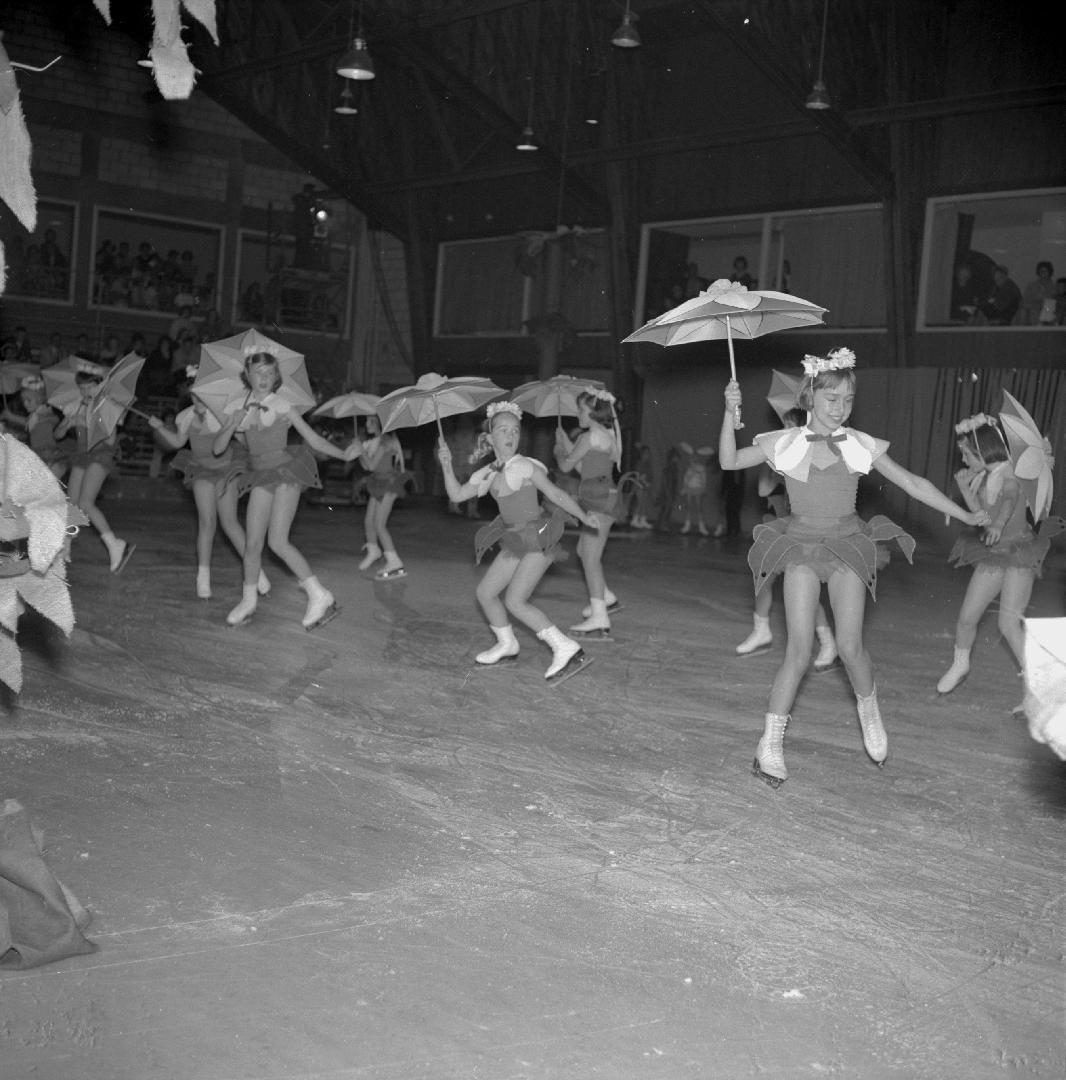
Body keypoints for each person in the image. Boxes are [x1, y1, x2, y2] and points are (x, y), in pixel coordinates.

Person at [719, 347, 988, 788]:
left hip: (848, 547)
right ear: (810, 397)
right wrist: (730, 417)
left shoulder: (859, 443)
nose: (839, 408)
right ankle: (769, 743)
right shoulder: (784, 443)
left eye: (847, 400)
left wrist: (965, 515)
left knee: (850, 647)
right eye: (831, 399)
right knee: (799, 650)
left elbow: (912, 483)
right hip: (802, 546)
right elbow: (729, 461)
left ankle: (869, 711)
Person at [436, 401, 599, 683]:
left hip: (538, 536)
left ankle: (565, 647)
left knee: (515, 600)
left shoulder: (524, 466)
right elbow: (457, 495)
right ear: (489, 438)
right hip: (515, 538)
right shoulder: (487, 473)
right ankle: (507, 644)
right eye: (502, 429)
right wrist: (447, 465)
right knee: (486, 592)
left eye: (515, 430)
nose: (510, 435)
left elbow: (556, 495)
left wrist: (584, 515)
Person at [212, 348, 361, 630]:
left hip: (287, 472)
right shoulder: (238, 410)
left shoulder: (282, 405)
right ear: (247, 376)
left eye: (270, 373)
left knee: (277, 541)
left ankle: (320, 594)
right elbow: (218, 449)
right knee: (252, 544)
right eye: (258, 373)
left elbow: (313, 440)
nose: (264, 377)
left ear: (277, 376)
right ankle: (248, 600)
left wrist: (344, 455)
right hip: (261, 476)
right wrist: (231, 425)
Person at [935, 412, 1063, 703]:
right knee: (967, 618)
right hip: (994, 554)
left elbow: (1009, 500)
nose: (964, 461)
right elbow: (981, 517)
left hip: (1019, 553)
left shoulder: (1011, 475)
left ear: (981, 451)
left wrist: (997, 524)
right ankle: (960, 663)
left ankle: (1038, 690)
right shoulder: (983, 476)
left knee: (1008, 624)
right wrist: (967, 489)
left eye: (967, 455)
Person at [147, 366, 271, 600]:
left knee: (230, 523)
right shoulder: (185, 416)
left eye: (203, 396)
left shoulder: (222, 414)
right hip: (201, 471)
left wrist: (237, 422)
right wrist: (160, 427)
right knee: (206, 522)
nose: (198, 400)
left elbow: (244, 440)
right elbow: (176, 442)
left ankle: (257, 573)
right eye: (194, 396)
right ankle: (202, 578)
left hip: (226, 471)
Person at [736, 407, 837, 669]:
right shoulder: (783, 449)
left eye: (789, 423)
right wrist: (768, 462)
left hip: (807, 526)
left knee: (806, 589)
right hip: (781, 521)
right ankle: (761, 630)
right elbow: (762, 491)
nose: (785, 427)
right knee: (763, 577)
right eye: (784, 424)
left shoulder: (817, 450)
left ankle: (828, 642)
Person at [554, 388, 624, 637]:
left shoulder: (588, 437)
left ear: (594, 413)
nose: (578, 414)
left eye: (582, 410)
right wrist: (568, 443)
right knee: (584, 551)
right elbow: (585, 466)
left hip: (599, 500)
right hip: (603, 497)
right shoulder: (604, 434)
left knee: (590, 557)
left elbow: (565, 466)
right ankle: (606, 597)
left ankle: (600, 616)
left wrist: (560, 448)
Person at [54, 359, 136, 572]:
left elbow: (109, 442)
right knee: (72, 504)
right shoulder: (76, 407)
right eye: (81, 388)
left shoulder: (107, 406)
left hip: (101, 456)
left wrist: (90, 424)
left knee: (86, 503)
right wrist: (67, 424)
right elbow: (58, 435)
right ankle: (66, 547)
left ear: (100, 385)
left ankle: (115, 545)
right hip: (82, 456)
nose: (85, 391)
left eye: (90, 386)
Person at [355, 415, 408, 580]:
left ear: (380, 423)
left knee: (379, 525)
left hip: (388, 484)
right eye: (366, 421)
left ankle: (394, 560)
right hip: (378, 482)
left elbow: (370, 464)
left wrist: (361, 450)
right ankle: (374, 551)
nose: (366, 424)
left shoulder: (386, 441)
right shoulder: (377, 441)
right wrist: (359, 452)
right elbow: (367, 466)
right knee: (368, 522)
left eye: (370, 421)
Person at [3, 374, 69, 479]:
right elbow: (28, 424)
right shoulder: (35, 414)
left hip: (48, 453)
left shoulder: (43, 413)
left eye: (29, 400)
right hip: (38, 452)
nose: (25, 404)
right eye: (23, 400)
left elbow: (52, 420)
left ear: (39, 400)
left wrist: (11, 416)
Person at [677, 442, 714, 535]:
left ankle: (702, 527)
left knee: (699, 508)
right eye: (692, 457)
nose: (694, 458)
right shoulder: (689, 468)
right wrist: (684, 488)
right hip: (689, 489)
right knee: (688, 507)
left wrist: (704, 488)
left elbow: (703, 478)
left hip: (698, 489)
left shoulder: (701, 467)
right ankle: (687, 526)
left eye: (695, 457)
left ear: (698, 458)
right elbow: (686, 479)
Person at [1020, 260, 1056, 325]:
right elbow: (1026, 298)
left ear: (1049, 272)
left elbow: (1050, 301)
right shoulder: (1031, 285)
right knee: (1024, 310)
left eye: (1045, 271)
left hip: (1046, 309)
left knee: (1034, 311)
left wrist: (1039, 299)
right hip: (1031, 307)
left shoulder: (1053, 286)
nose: (1043, 272)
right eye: (1041, 270)